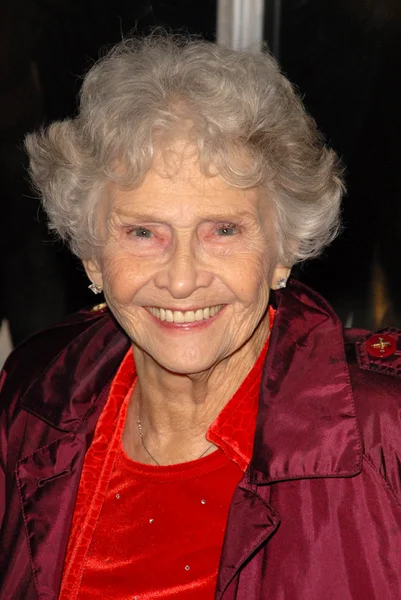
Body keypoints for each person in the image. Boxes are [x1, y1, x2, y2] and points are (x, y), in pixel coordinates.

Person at [0, 34, 400, 600]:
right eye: (143, 232)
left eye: (223, 230)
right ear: (91, 252)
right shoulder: (32, 397)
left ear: (283, 249)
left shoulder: (385, 435)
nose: (182, 279)